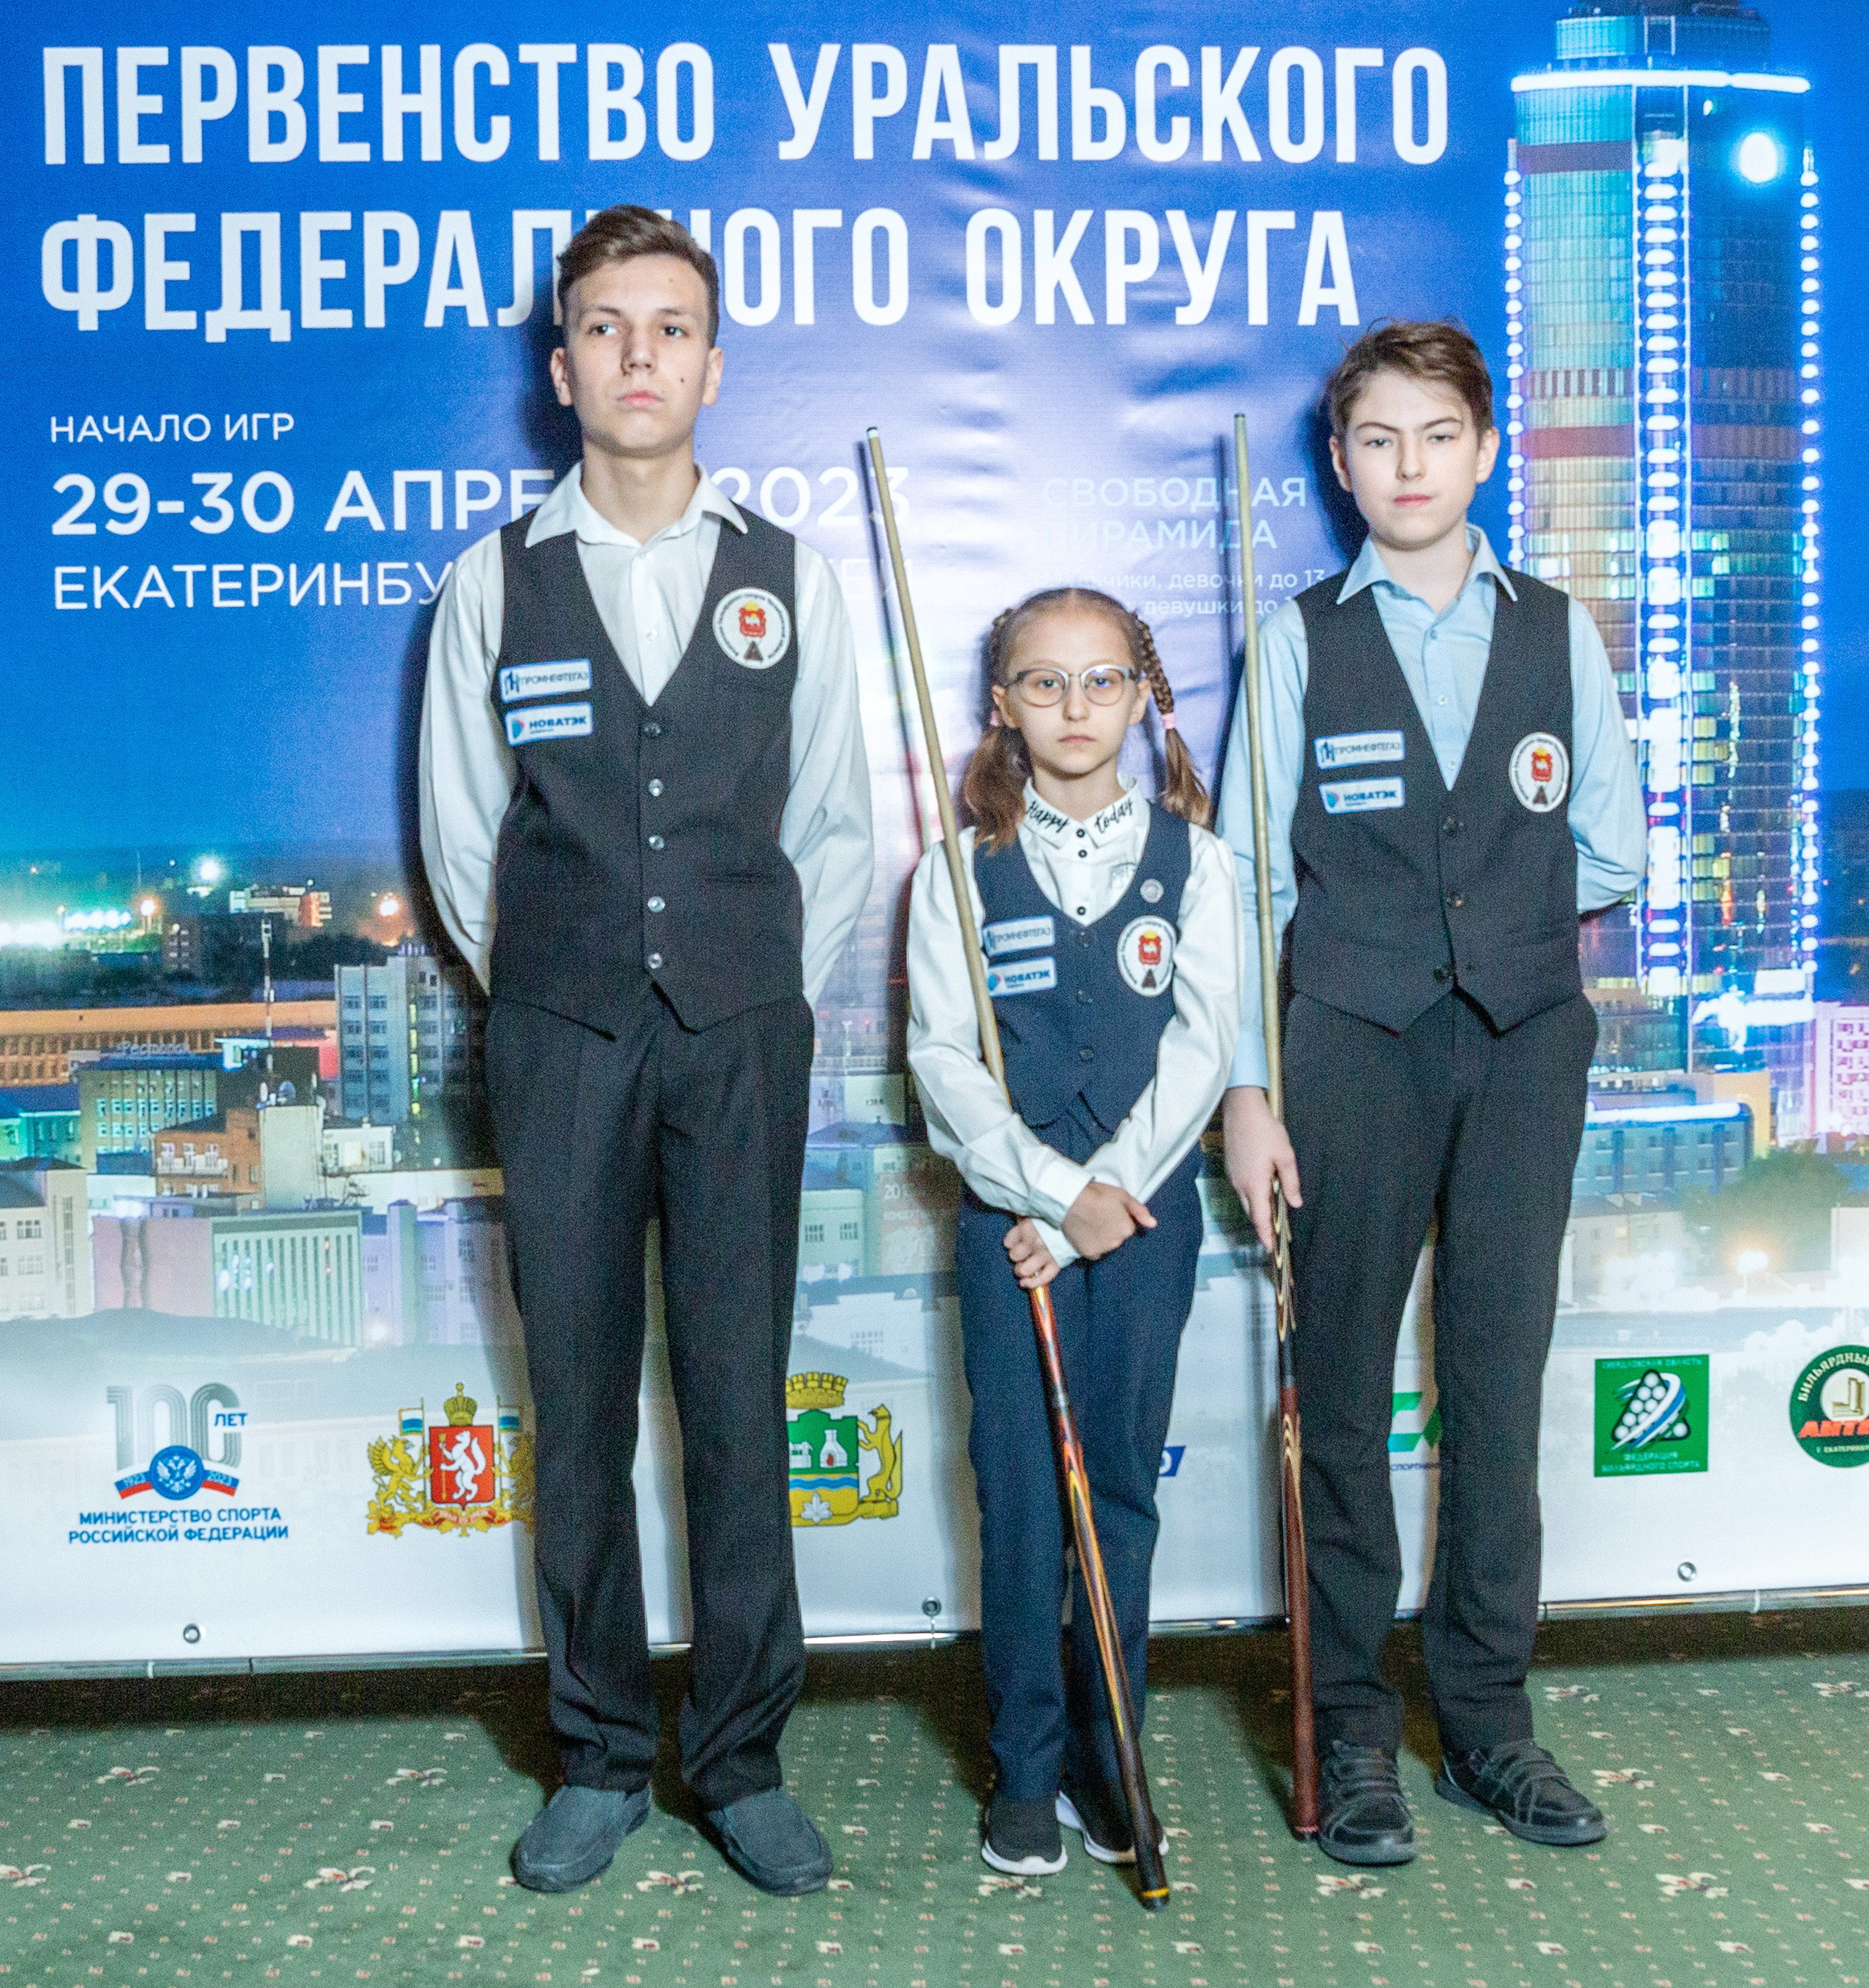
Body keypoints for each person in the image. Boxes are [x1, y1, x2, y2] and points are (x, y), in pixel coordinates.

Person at [419, 207, 873, 1896]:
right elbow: (463, 835)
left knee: (741, 1401)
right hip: (562, 1036)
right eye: (605, 327)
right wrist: (564, 990)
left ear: (712, 364)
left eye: (669, 327)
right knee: (583, 1401)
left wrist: (748, 990)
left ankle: (740, 1757)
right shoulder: (493, 582)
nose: (638, 355)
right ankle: (602, 1750)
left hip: (743, 1037)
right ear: (561, 367)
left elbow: (836, 825)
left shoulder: (791, 575)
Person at [1219, 320, 1647, 1865]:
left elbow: (1613, 847)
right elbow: (1247, 883)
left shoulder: (1554, 629)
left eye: (1437, 435)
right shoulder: (1297, 640)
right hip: (1349, 1041)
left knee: (1496, 1378)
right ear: (1339, 466)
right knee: (1337, 1390)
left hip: (1525, 1042)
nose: (1408, 465)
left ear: (1483, 452)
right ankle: (1350, 1726)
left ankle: (1485, 1722)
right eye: (1377, 439)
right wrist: (1248, 1089)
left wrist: (1491, 929)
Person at [907, 588, 1244, 1876]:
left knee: (1117, 1490)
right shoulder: (954, 873)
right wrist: (1050, 1196)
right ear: (1002, 704)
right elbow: (943, 1061)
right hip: (1009, 1225)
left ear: (1140, 696)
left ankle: (1113, 1762)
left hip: (1145, 1221)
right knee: (1018, 1498)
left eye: (1101, 680)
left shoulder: (1197, 863)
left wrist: (1100, 1201)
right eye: (1042, 683)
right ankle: (1025, 1765)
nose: (1073, 706)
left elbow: (1204, 1050)